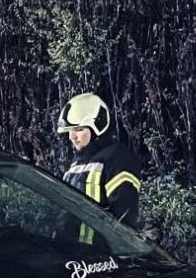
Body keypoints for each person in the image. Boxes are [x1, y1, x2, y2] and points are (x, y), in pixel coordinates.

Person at [57, 92, 141, 234]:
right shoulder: (74, 167)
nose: (72, 136)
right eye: (70, 130)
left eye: (78, 129)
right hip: (70, 252)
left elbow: (125, 216)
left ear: (97, 126)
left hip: (100, 254)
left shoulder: (117, 158)